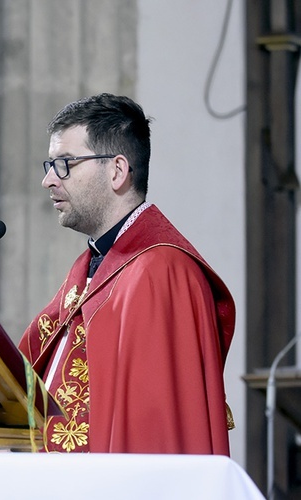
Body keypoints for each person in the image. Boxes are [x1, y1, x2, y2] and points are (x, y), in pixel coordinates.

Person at [18, 93, 236, 455]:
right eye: (50, 165)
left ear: (117, 170)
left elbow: (158, 429)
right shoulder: (95, 265)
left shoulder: (162, 270)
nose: (49, 181)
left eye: (65, 163)